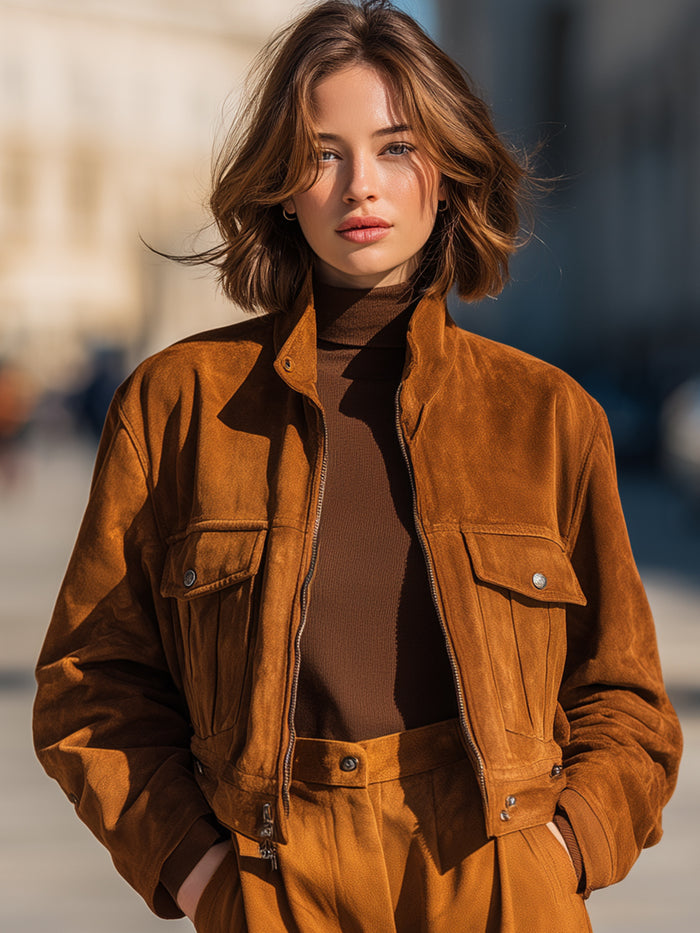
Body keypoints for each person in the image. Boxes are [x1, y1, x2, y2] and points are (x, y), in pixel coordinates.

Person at [33, 2, 682, 930]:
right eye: (323, 152)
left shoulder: (545, 417)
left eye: (395, 147)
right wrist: (200, 874)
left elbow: (628, 703)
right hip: (272, 879)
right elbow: (88, 685)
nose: (359, 187)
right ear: (282, 183)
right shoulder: (178, 404)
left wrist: (562, 854)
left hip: (500, 882)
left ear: (450, 174)